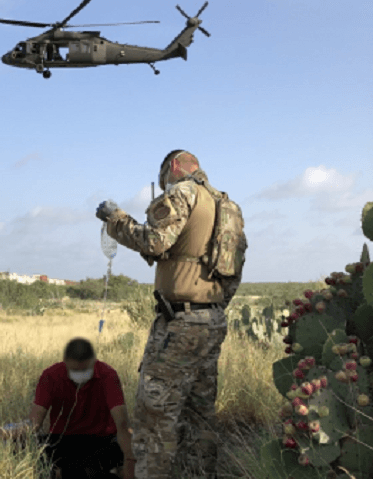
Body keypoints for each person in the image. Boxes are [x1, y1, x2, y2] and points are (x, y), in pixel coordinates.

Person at [95, 150, 247, 479]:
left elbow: (153, 240)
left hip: (178, 324)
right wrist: (211, 307)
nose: (164, 184)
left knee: (154, 417)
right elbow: (234, 271)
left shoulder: (182, 191)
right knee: (200, 417)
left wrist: (115, 220)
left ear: (174, 167)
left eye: (164, 177)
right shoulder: (229, 207)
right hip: (211, 321)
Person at [26, 337, 137, 479]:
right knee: (28, 449)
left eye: (84, 369)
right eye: (74, 369)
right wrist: (2, 433)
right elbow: (33, 424)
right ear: (65, 363)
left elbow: (122, 424)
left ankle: (63, 473)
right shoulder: (50, 376)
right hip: (62, 441)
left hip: (100, 441)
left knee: (126, 449)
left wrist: (129, 459)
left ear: (93, 362)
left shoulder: (107, 375)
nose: (79, 374)